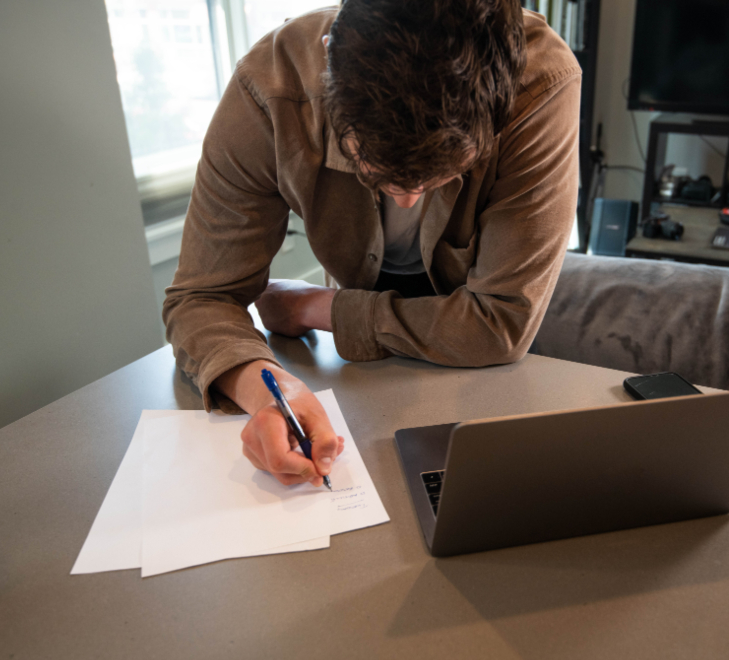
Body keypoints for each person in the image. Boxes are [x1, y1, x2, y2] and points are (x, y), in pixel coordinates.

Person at [163, 0, 581, 489]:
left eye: (445, 173)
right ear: (329, 62)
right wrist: (269, 392)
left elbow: (501, 323)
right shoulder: (268, 89)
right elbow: (200, 298)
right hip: (362, 379)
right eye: (375, 171)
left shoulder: (542, 83)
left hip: (488, 377)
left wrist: (315, 308)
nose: (406, 201)